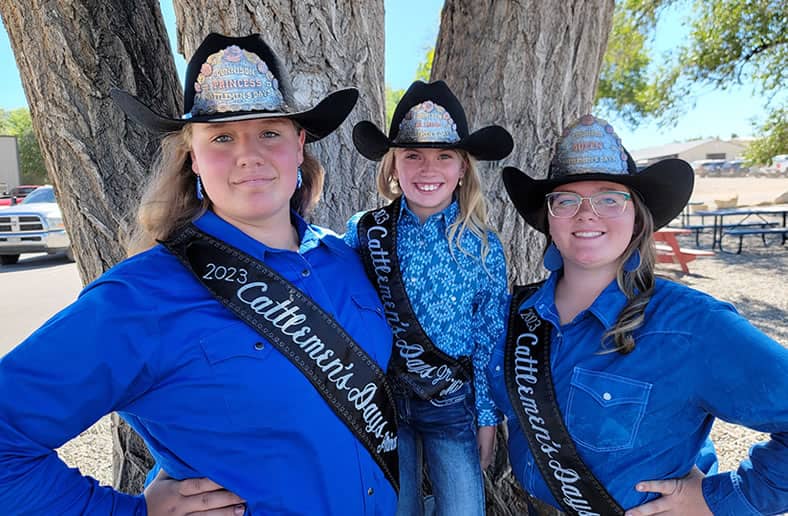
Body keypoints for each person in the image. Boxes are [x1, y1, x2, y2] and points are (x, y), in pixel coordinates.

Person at [0, 33, 399, 515]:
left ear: (299, 146)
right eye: (222, 138)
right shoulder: (141, 298)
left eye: (269, 132)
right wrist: (133, 513)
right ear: (194, 157)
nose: (248, 154)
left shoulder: (349, 262)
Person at [488, 114, 788, 516]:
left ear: (637, 218)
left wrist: (719, 499)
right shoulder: (515, 316)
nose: (586, 213)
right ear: (549, 220)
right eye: (566, 200)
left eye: (610, 197)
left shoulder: (691, 324)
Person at [344, 80, 513, 515]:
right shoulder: (365, 232)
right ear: (393, 166)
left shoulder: (481, 246)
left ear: (462, 170)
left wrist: (488, 418)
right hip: (381, 401)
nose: (427, 168)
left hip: (451, 402)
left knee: (463, 509)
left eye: (444, 156)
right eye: (412, 155)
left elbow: (488, 337)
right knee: (395, 508)